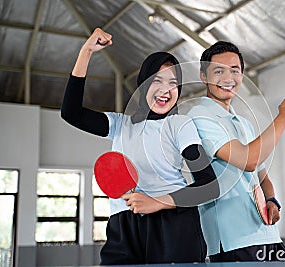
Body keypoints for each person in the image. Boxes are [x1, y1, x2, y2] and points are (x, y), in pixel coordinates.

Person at [61, 28, 219, 265]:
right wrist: (86, 52)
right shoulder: (120, 124)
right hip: (123, 226)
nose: (166, 90)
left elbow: (208, 185)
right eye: (157, 80)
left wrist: (157, 202)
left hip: (173, 224)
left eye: (173, 83)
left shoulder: (179, 124)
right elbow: (70, 112)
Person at [187, 41, 285, 262]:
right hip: (233, 240)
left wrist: (271, 200)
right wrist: (284, 117)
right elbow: (248, 160)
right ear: (203, 76)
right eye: (218, 71)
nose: (228, 78)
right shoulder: (199, 115)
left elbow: (260, 174)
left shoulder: (244, 123)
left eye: (235, 71)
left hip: (266, 233)